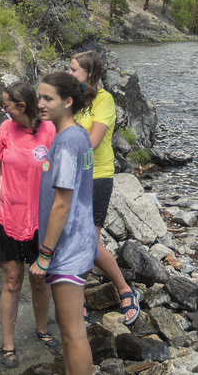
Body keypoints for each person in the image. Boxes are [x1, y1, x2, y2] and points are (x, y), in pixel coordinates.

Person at [0, 81, 59, 368]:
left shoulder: (50, 130)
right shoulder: (4, 130)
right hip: (6, 216)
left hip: (40, 219)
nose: (4, 109)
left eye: (7, 105)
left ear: (22, 106)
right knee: (12, 281)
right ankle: (8, 345)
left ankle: (42, 330)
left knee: (39, 279)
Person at [30, 72, 96, 375]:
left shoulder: (67, 142)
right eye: (39, 97)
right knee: (69, 329)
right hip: (79, 242)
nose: (40, 103)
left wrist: (45, 255)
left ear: (67, 102)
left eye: (48, 98)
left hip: (67, 248)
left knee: (71, 332)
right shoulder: (78, 133)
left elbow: (62, 202)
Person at [69, 51, 142, 325]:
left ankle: (125, 290)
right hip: (70, 178)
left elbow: (93, 141)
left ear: (89, 73)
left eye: (74, 70)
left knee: (88, 242)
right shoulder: (73, 100)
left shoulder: (104, 100)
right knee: (73, 240)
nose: (70, 73)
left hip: (96, 176)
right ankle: (80, 299)